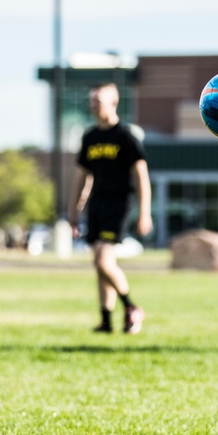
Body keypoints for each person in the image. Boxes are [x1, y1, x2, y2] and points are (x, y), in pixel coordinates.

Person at [68, 82, 152, 335]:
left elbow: (141, 176)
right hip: (97, 205)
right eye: (91, 101)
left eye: (98, 101)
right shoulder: (90, 137)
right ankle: (106, 321)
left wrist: (144, 211)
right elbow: (83, 177)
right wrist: (73, 210)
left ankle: (131, 307)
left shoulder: (125, 136)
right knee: (101, 264)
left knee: (102, 260)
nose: (93, 106)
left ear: (113, 103)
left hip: (118, 204)